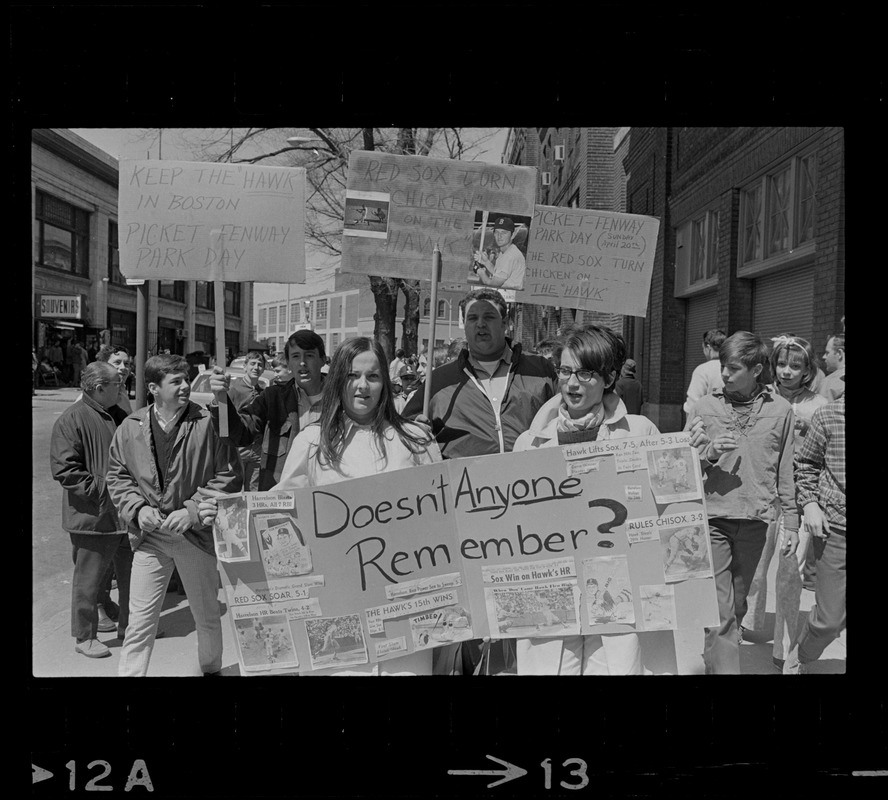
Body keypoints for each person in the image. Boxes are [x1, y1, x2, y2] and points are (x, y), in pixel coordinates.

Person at [200, 337, 442, 675]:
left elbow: (443, 517)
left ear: (384, 382)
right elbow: (277, 510)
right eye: (351, 376)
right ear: (338, 379)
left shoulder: (415, 441)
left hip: (403, 608)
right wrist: (227, 516)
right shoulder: (312, 442)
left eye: (372, 377)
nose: (362, 386)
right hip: (335, 610)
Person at [403, 288, 557, 674]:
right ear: (463, 326)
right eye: (473, 318)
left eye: (489, 317)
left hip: (531, 512)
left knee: (522, 604)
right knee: (471, 610)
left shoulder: (540, 372)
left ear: (506, 322)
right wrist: (415, 430)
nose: (481, 325)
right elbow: (402, 440)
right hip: (467, 516)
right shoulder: (437, 383)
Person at [513, 325, 660, 675]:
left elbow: (668, 505)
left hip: (616, 586)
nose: (572, 383)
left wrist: (694, 461)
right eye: (565, 371)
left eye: (585, 373)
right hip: (551, 586)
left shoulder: (640, 432)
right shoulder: (528, 443)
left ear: (609, 377)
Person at [106, 354, 242, 676]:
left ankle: (210, 671)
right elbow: (117, 475)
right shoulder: (130, 427)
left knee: (207, 617)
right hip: (150, 539)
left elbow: (228, 474)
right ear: (153, 388)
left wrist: (192, 511)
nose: (185, 387)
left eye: (186, 379)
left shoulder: (208, 422)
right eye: (176, 381)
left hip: (193, 538)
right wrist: (138, 511)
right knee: (139, 624)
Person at [686, 331, 799, 675]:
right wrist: (707, 453)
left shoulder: (781, 411)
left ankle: (715, 664)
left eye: (733, 368)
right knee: (719, 610)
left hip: (756, 520)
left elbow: (785, 469)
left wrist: (791, 523)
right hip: (714, 519)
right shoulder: (706, 407)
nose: (724, 374)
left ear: (757, 369)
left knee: (735, 607)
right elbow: (681, 467)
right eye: (722, 366)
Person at [741, 335, 828, 667]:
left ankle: (786, 650)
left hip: (801, 499)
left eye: (796, 365)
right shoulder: (760, 399)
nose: (788, 371)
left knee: (789, 574)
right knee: (754, 566)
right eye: (781, 364)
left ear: (808, 369)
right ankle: (748, 622)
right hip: (763, 494)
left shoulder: (819, 406)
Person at [50, 362, 132, 659]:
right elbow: (65, 470)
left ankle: (129, 627)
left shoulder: (119, 415)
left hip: (124, 513)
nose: (122, 388)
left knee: (130, 575)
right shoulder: (72, 418)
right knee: (89, 582)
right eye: (117, 385)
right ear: (99, 388)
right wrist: (104, 492)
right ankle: (85, 637)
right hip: (93, 517)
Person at [208, 330, 326, 491]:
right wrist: (220, 398)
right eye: (296, 356)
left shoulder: (341, 399)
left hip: (328, 494)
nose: (302, 362)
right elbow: (238, 434)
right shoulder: (272, 397)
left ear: (323, 360)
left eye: (310, 355)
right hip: (282, 498)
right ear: (289, 363)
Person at [783, 392, 845, 674]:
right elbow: (806, 464)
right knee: (828, 620)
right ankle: (803, 653)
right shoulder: (828, 415)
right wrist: (809, 503)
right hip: (837, 528)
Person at [225, 350, 267, 491]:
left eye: (260, 364)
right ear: (245, 367)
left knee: (253, 489)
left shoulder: (263, 392)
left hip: (257, 449)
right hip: (239, 448)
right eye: (252, 364)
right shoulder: (234, 389)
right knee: (233, 486)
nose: (256, 367)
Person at [473, 216, 526, 290]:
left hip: (512, 297)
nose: (499, 236)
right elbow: (497, 273)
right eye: (496, 232)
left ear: (512, 235)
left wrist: (480, 273)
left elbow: (493, 284)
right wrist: (486, 262)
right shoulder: (507, 251)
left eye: (504, 233)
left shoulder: (510, 256)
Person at [684, 329, 726, 416]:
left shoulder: (702, 370)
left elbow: (692, 406)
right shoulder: (734, 368)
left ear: (708, 347)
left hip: (708, 424)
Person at [818, 333, 845, 401]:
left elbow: (821, 409)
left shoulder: (829, 383)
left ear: (839, 353)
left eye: (827, 353)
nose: (823, 357)